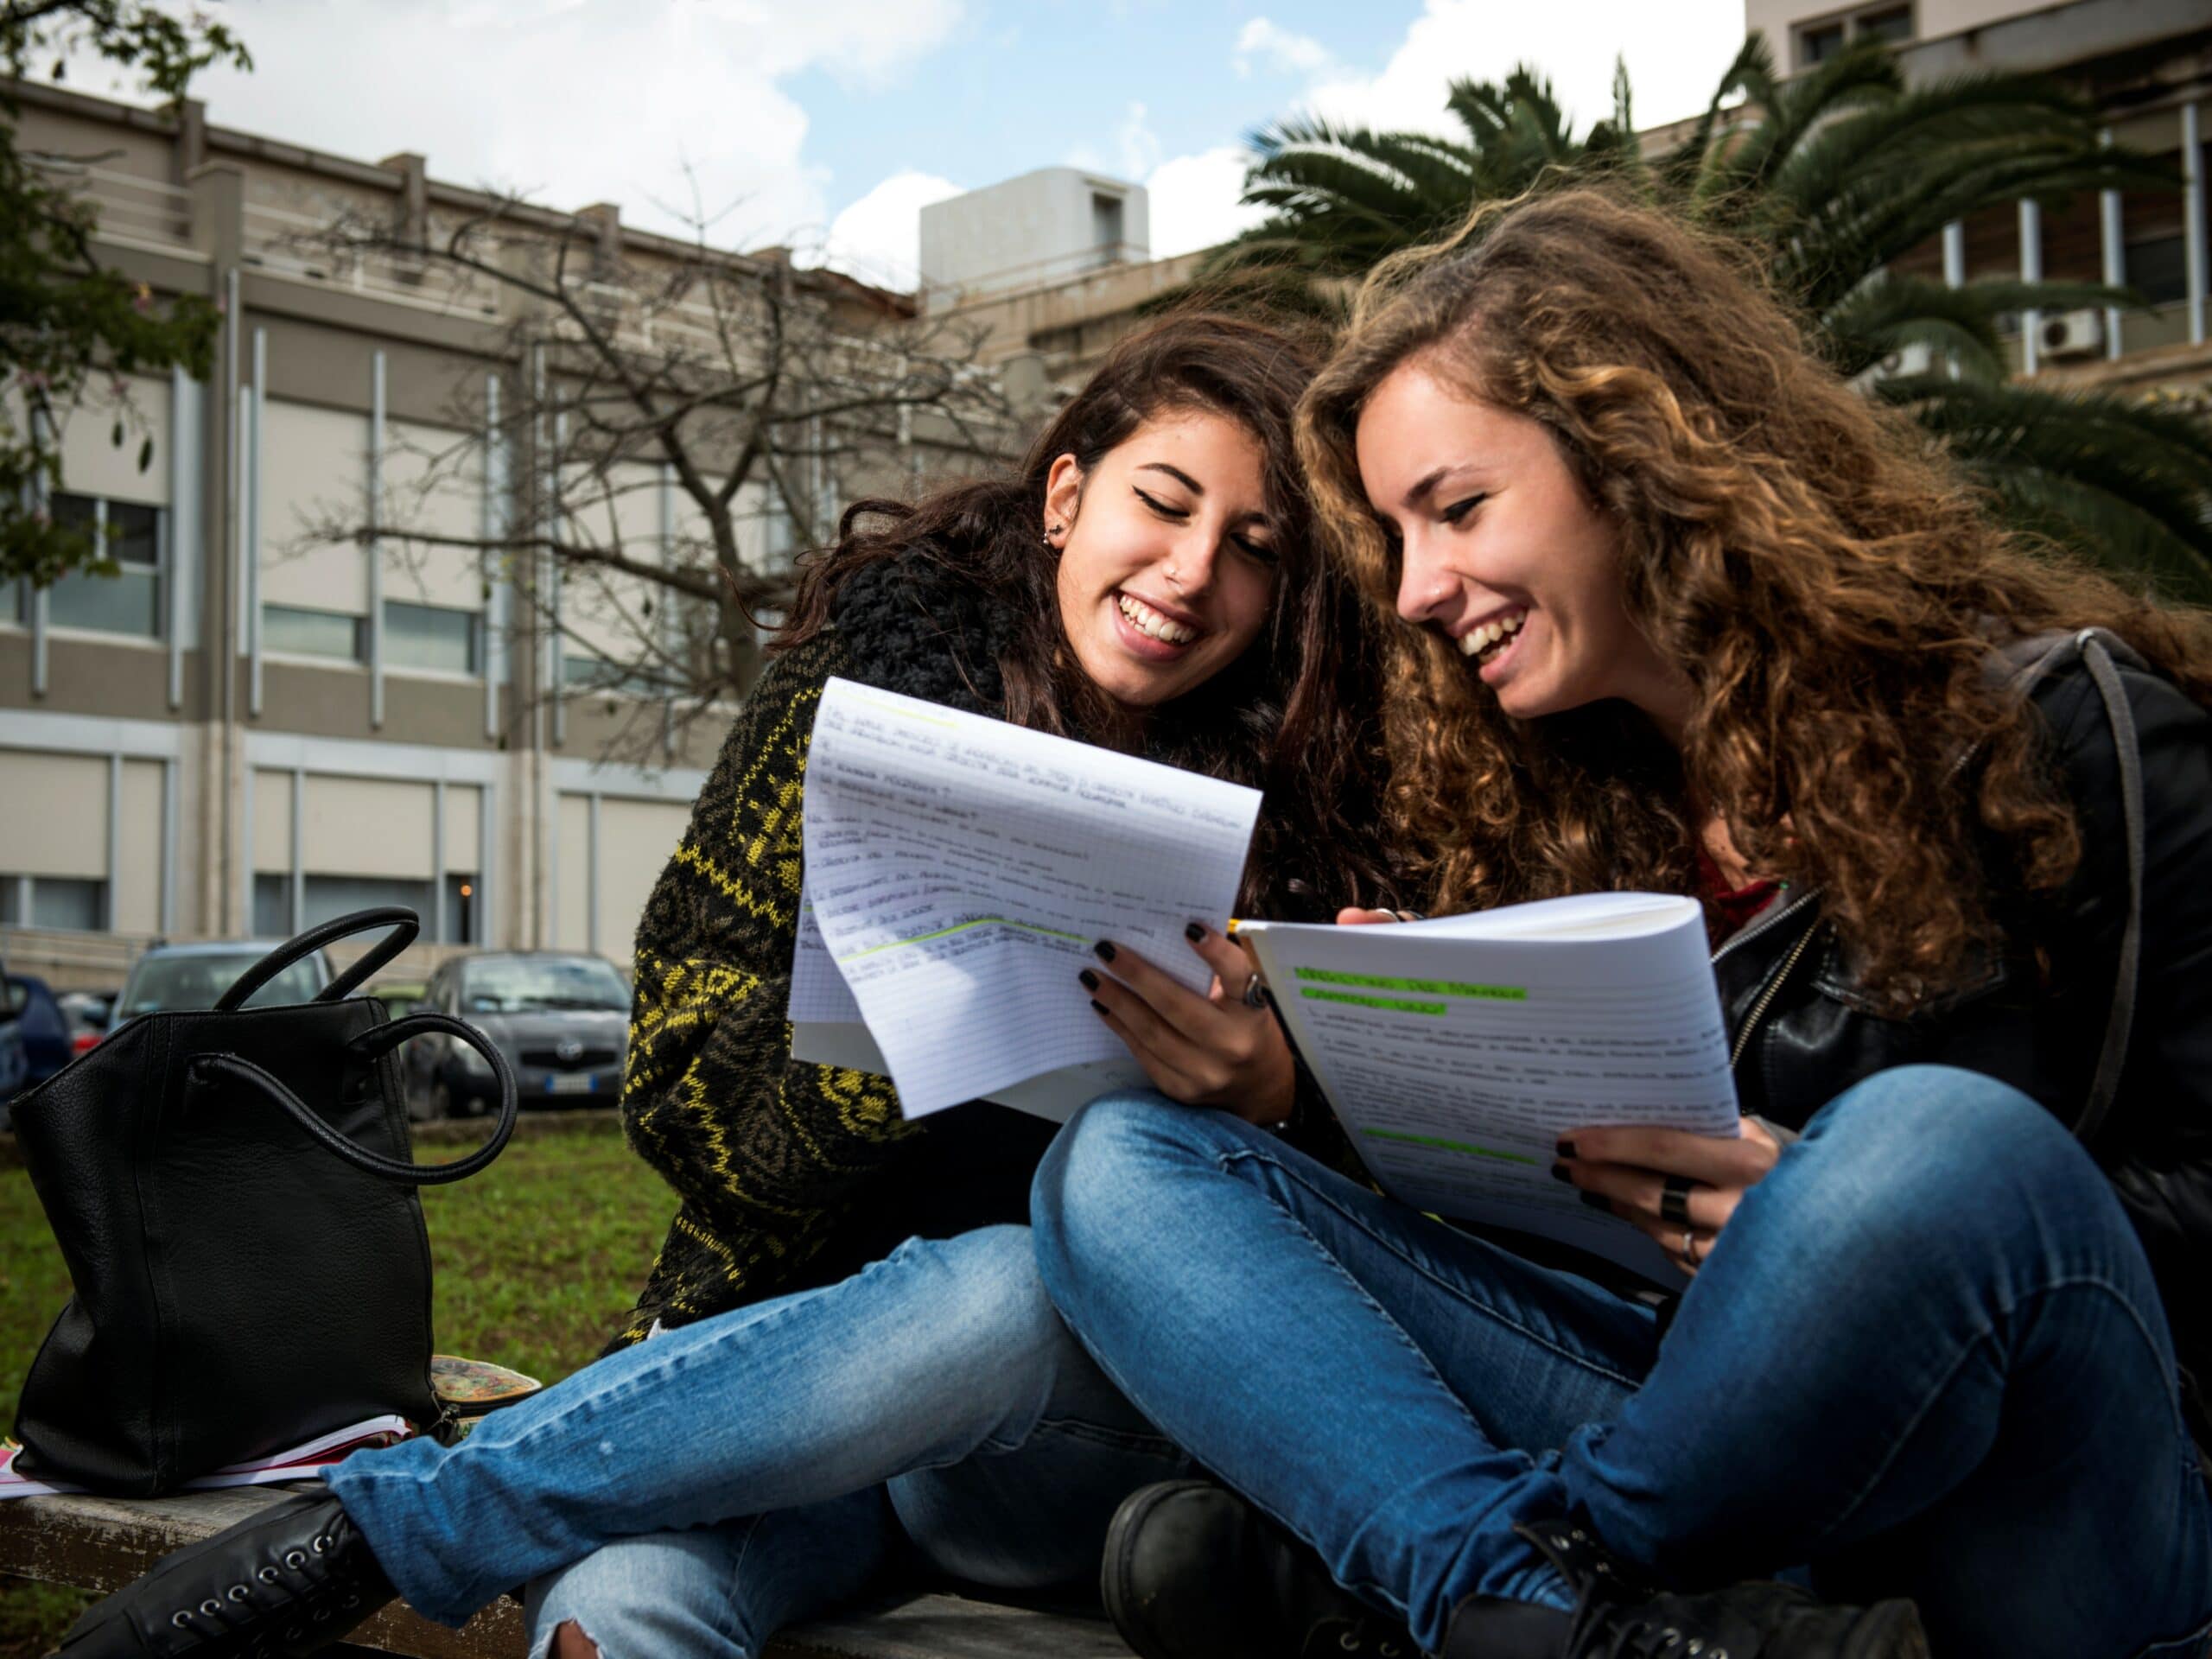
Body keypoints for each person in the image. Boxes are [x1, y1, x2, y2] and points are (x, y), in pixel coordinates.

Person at [59, 313, 1395, 1659]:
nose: (1190, 569)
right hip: (790, 1393)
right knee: (618, 1610)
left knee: (1007, 1281)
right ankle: (355, 1552)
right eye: (1162, 506)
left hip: (1093, 1446)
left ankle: (385, 1525)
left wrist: (1272, 1091)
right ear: (1067, 496)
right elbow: (681, 1101)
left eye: (1256, 551)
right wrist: (896, 1044)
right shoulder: (862, 696)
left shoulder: (1313, 791)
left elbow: (1384, 1226)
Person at [1032, 189, 2212, 1659]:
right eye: (1396, 536)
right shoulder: (1555, 813)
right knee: (1125, 1168)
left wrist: (1825, 1227)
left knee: (1930, 1150)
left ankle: (1475, 1590)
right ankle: (1564, 1619)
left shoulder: (2064, 732)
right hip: (1688, 1437)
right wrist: (1344, 1077)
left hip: (2044, 1486)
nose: (1415, 591)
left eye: (1456, 511)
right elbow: (1556, 1235)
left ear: (1647, 461)